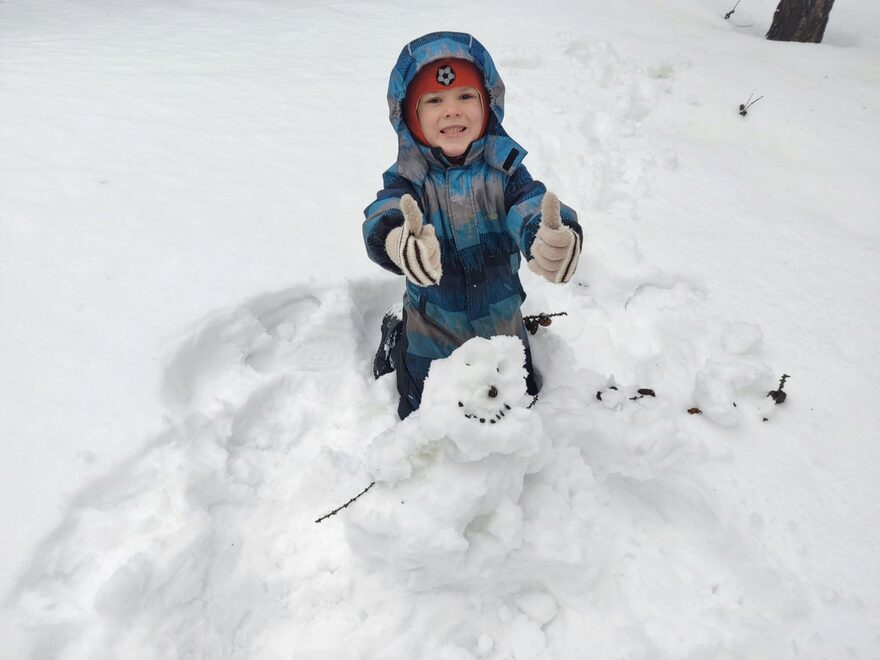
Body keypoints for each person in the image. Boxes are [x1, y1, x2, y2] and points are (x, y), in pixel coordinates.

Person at [363, 31, 582, 419]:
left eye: (466, 96)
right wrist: (398, 240)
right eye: (434, 101)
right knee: (422, 413)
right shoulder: (408, 179)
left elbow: (532, 207)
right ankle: (395, 335)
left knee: (519, 409)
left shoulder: (506, 171)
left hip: (502, 331)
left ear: (488, 105)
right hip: (433, 335)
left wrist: (550, 238)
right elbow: (384, 214)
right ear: (410, 119)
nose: (452, 110)